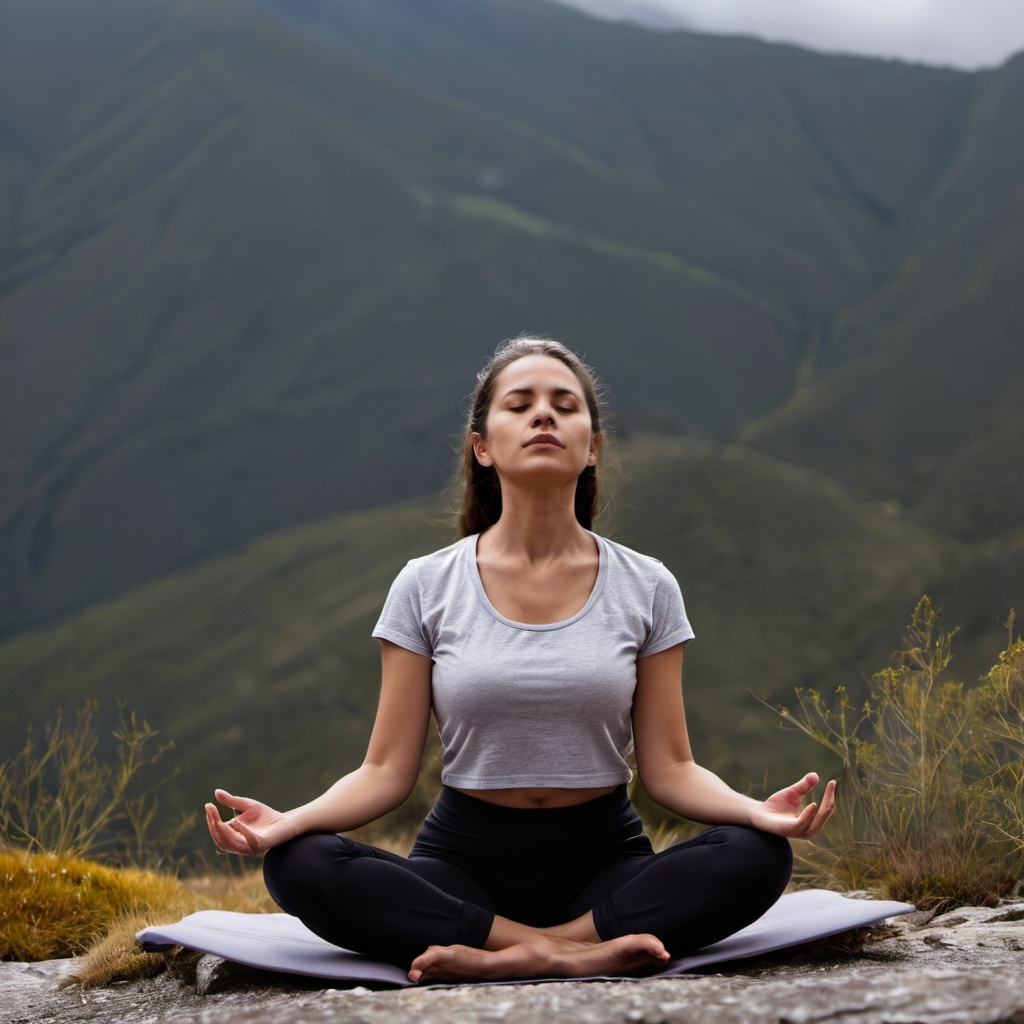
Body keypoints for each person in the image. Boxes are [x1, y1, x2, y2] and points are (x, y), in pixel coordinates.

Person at [205, 337, 836, 983]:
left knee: (757, 854)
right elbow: (384, 771)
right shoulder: (425, 585)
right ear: (482, 446)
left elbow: (671, 769)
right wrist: (290, 824)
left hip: (604, 862)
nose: (544, 415)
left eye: (565, 405)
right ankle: (565, 954)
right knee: (299, 864)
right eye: (521, 404)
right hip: (464, 864)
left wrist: (755, 811)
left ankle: (524, 952)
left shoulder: (647, 585)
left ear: (592, 446)